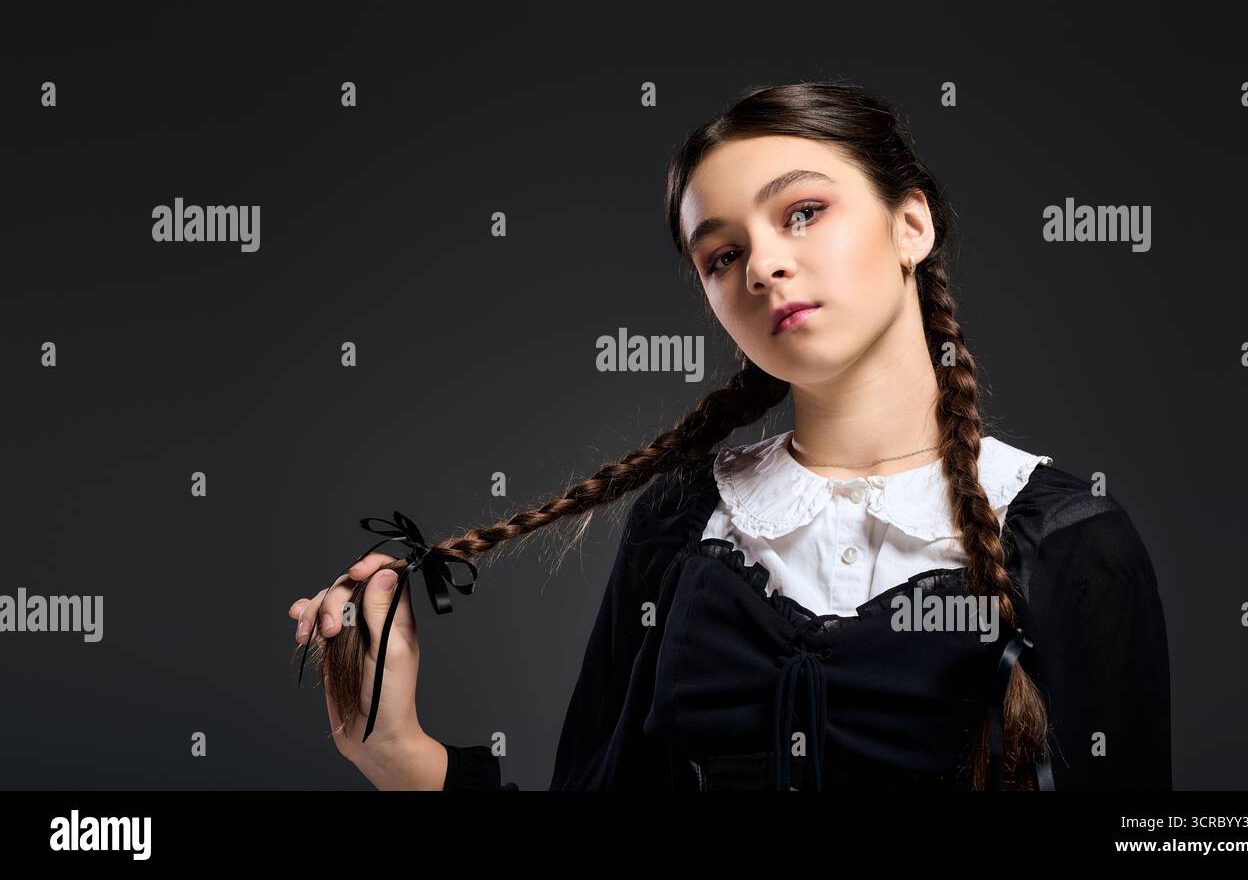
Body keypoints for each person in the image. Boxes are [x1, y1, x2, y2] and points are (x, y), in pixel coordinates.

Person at [287, 81, 1172, 791]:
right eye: (720, 255)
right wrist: (397, 751)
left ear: (912, 226)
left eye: (802, 212)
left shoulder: (1070, 543)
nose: (764, 265)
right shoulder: (683, 529)